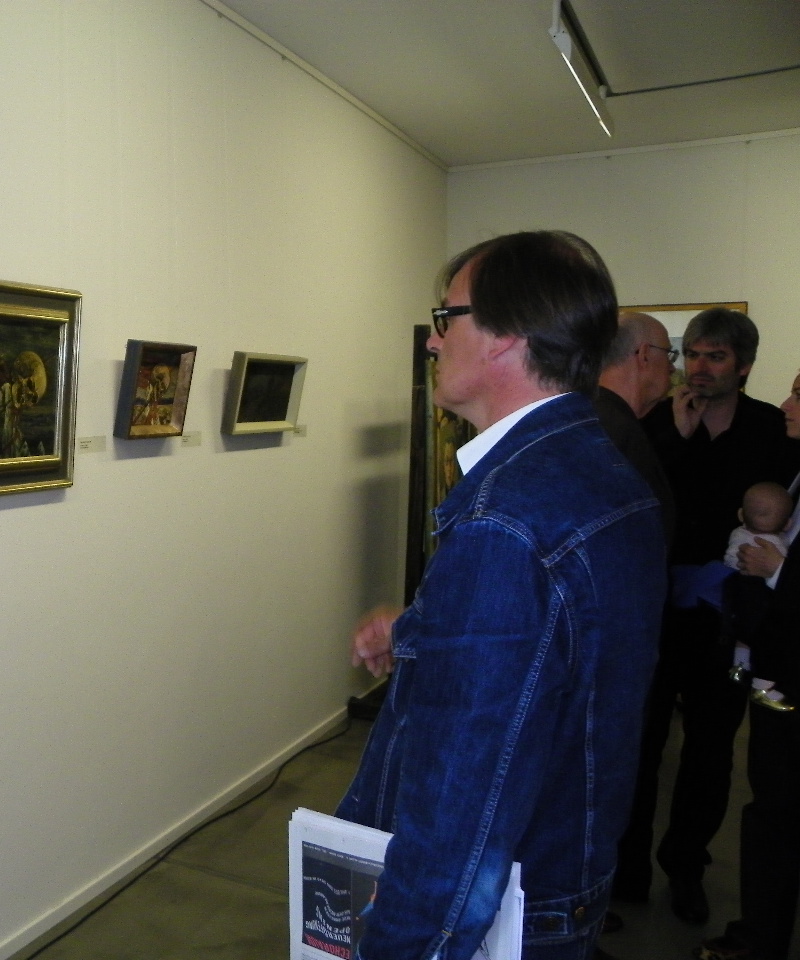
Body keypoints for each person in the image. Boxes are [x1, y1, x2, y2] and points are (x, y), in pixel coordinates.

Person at [339, 231, 667, 960]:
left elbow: (459, 821)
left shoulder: (506, 524)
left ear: (507, 334)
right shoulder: (602, 473)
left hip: (508, 917)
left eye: (446, 317)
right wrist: (422, 631)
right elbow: (564, 657)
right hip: (566, 875)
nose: (433, 340)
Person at [616, 309, 799, 923]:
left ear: (743, 366)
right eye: (692, 354)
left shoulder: (772, 429)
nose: (699, 367)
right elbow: (633, 500)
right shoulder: (653, 423)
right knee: (639, 744)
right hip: (653, 609)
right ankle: (628, 868)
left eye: (715, 356)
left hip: (727, 619)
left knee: (710, 751)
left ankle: (686, 866)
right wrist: (674, 434)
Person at [699, 371, 800, 960]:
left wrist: (777, 571)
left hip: (792, 680)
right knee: (771, 815)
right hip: (776, 671)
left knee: (776, 818)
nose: (786, 403)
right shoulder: (794, 468)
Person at [594, 310, 678, 545]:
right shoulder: (613, 430)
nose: (672, 368)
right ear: (644, 355)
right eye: (669, 355)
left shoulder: (595, 416)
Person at [722, 482, 793, 711]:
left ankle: (739, 666)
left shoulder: (738, 534)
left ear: (741, 514)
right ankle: (762, 687)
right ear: (788, 523)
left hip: (738, 596)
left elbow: (731, 559)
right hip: (763, 601)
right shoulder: (776, 544)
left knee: (745, 634)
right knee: (766, 640)